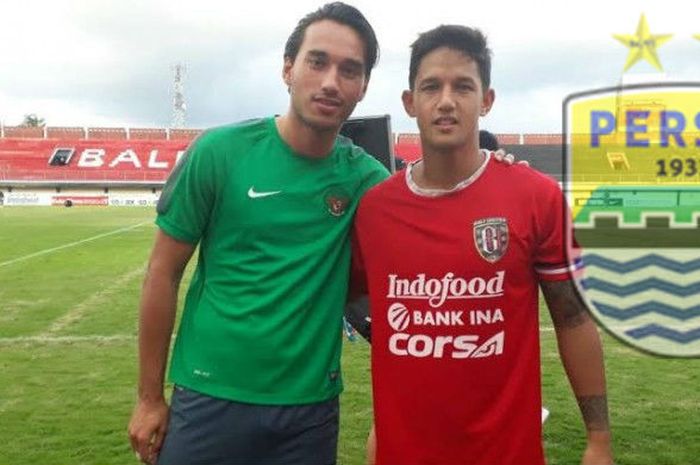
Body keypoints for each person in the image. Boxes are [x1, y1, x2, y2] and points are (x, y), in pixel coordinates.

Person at [127, 4, 388, 465]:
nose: (331, 81)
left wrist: (499, 169)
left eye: (350, 70)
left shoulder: (368, 181)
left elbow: (439, 206)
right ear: (288, 69)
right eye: (317, 61)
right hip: (209, 395)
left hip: (308, 412)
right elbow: (162, 272)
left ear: (363, 87)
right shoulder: (219, 152)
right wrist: (149, 398)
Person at [352, 25, 613, 465]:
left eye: (464, 86)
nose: (447, 100)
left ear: (487, 100)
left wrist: (598, 440)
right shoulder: (376, 209)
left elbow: (572, 321)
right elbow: (350, 294)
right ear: (409, 102)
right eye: (431, 86)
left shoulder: (535, 197)